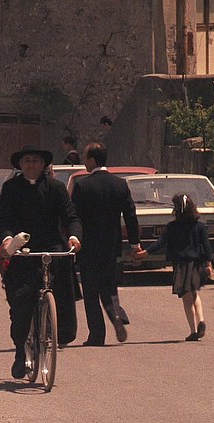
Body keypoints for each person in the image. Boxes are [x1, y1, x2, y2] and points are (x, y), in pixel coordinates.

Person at [0, 145, 82, 379]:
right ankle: (20, 353)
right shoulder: (11, 188)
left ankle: (58, 330)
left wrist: (74, 237)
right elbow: (3, 220)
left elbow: (71, 216)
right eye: (26, 161)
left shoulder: (56, 187)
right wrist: (7, 240)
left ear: (43, 165)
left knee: (62, 285)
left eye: (35, 160)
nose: (31, 164)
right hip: (22, 251)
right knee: (21, 305)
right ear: (20, 165)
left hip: (51, 246)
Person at [71, 142, 140, 346]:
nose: (84, 162)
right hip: (112, 245)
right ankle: (116, 314)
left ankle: (97, 335)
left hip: (88, 246)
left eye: (85, 158)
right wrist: (134, 243)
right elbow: (130, 215)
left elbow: (75, 217)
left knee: (91, 291)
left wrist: (74, 238)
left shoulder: (82, 186)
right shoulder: (120, 184)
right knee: (109, 286)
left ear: (92, 160)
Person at [135, 194, 212, 341]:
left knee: (186, 297)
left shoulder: (172, 227)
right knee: (194, 293)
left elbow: (160, 243)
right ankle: (201, 320)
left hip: (181, 264)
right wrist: (209, 264)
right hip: (196, 263)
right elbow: (206, 245)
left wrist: (145, 252)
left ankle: (193, 330)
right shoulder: (200, 226)